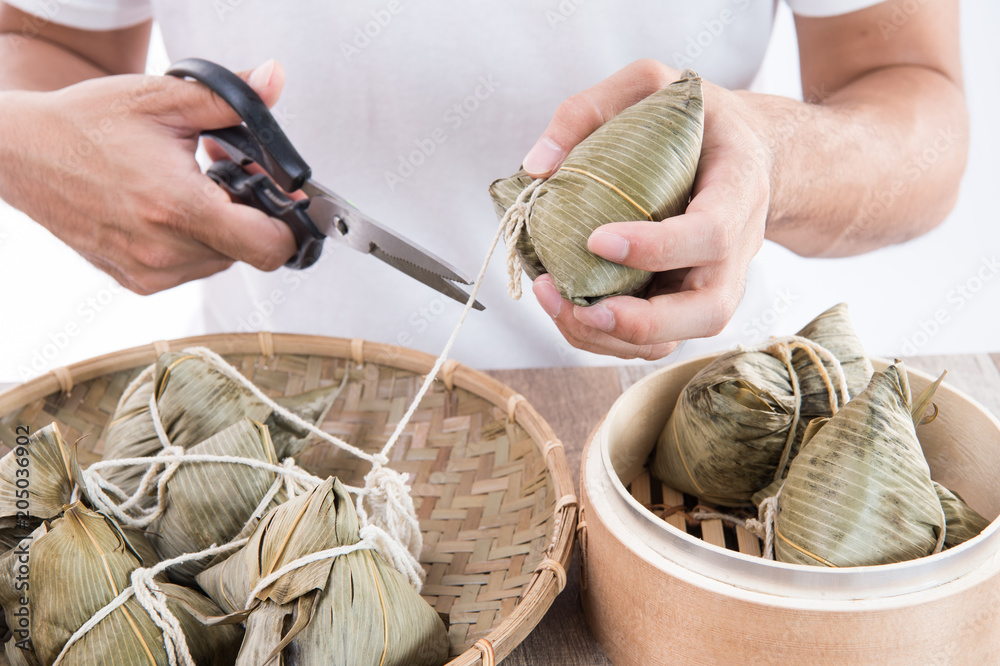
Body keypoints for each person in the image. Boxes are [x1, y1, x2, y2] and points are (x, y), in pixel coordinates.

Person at [0, 1, 967, 368]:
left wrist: (775, 157)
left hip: (669, 460)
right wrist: (29, 144)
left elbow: (916, 104)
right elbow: (44, 43)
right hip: (270, 435)